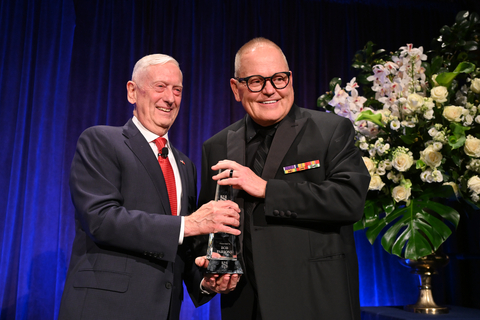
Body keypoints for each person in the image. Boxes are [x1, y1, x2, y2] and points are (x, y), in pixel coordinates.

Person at [196, 38, 370, 320]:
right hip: (244, 305)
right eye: (255, 81)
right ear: (235, 88)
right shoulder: (216, 146)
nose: (270, 90)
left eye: (279, 79)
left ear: (290, 79)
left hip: (314, 300)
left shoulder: (331, 130)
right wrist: (210, 273)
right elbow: (208, 223)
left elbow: (349, 200)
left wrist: (266, 189)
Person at [59, 54, 241, 320]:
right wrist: (189, 224)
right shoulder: (101, 140)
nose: (170, 98)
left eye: (177, 90)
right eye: (160, 87)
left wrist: (205, 280)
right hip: (104, 307)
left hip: (164, 310)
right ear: (133, 92)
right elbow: (101, 220)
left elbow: (181, 244)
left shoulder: (184, 165)